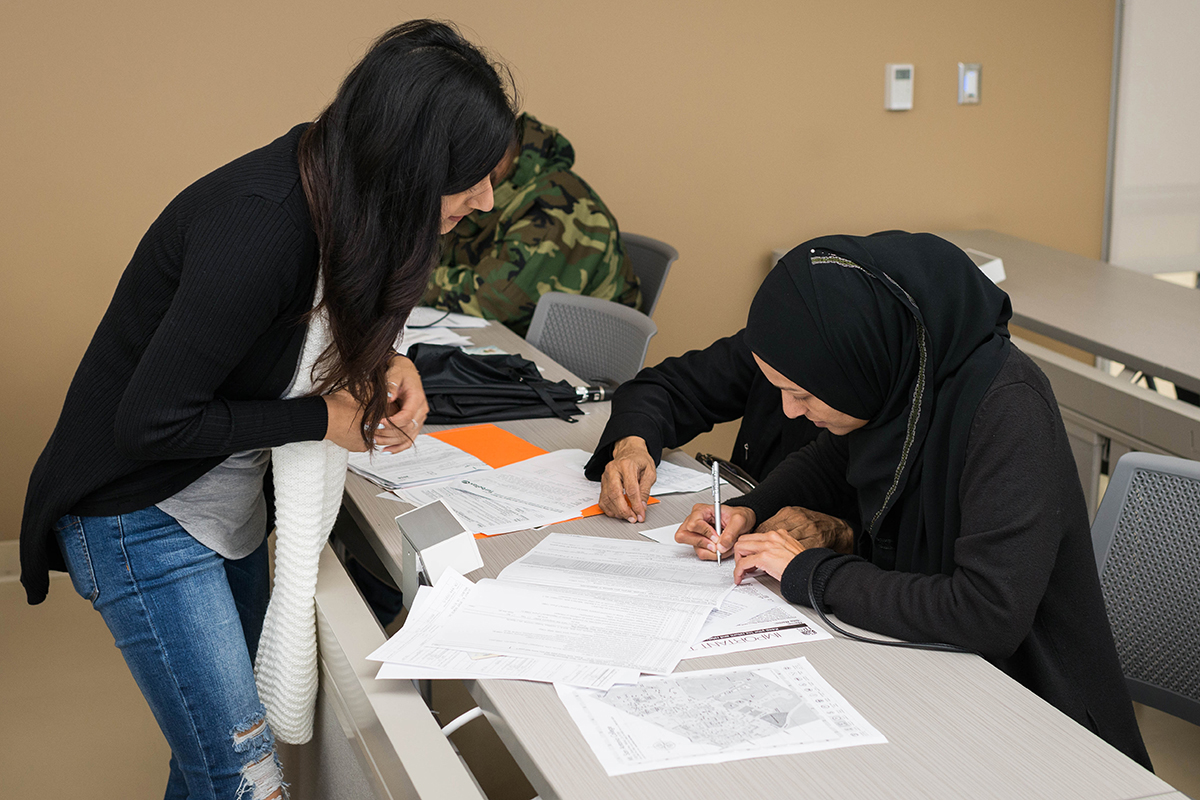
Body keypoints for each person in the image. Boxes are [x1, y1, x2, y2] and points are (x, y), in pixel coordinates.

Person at [19, 21, 517, 799]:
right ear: (410, 162)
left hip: (224, 499)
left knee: (210, 763)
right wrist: (319, 419)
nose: (486, 200)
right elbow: (149, 423)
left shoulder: (345, 194)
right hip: (138, 509)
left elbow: (311, 317)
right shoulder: (258, 221)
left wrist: (389, 358)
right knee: (245, 776)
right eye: (472, 177)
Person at [675, 232, 1153, 770]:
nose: (788, 412)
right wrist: (750, 509)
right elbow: (834, 459)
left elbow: (987, 613)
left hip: (1036, 715)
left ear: (861, 361)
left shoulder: (1008, 410)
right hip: (932, 679)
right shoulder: (904, 373)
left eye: (803, 395)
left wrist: (810, 572)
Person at [422, 112, 641, 336]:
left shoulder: (555, 204)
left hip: (575, 356)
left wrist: (410, 281)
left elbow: (497, 300)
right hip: (501, 338)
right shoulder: (503, 184)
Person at [584, 329, 821, 523]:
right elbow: (664, 386)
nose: (790, 409)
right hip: (734, 524)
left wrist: (843, 532)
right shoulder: (773, 343)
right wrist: (632, 445)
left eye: (802, 396)